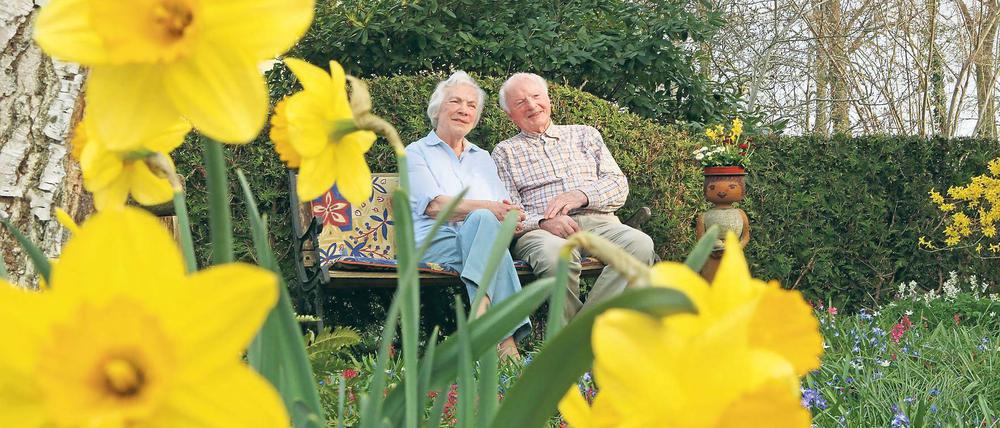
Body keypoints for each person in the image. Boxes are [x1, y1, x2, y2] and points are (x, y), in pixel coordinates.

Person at [492, 72, 656, 324]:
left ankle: (576, 339)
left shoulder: (585, 135)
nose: (532, 105)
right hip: (543, 233)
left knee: (640, 246)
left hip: (599, 223)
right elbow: (510, 214)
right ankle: (583, 348)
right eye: (520, 102)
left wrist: (581, 195)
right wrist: (544, 223)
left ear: (549, 99)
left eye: (536, 96)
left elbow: (618, 184)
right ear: (509, 114)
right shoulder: (505, 152)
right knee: (557, 258)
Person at [406, 71, 529, 359]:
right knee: (485, 223)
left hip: (480, 243)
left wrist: (509, 214)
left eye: (471, 105)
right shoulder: (416, 153)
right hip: (434, 244)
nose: (464, 110)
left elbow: (503, 207)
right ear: (438, 109)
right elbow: (435, 207)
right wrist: (490, 210)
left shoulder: (483, 158)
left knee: (485, 225)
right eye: (456, 102)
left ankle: (483, 319)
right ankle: (506, 340)